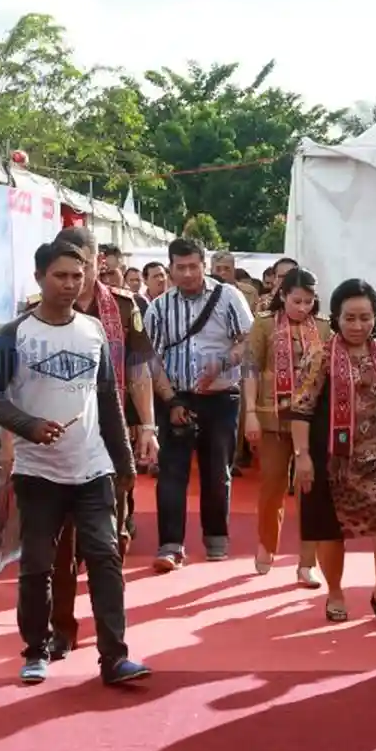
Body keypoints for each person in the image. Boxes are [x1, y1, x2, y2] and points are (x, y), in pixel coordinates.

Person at [0, 240, 149, 685]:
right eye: (60, 276)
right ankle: (37, 648)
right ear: (39, 279)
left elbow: (109, 401)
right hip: (38, 473)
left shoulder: (93, 331)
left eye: (78, 275)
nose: (71, 284)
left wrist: (124, 463)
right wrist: (29, 425)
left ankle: (115, 657)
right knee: (38, 564)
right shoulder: (11, 336)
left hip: (92, 468)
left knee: (106, 558)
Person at [286, 279, 376, 622]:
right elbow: (301, 409)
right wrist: (303, 456)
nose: (358, 326)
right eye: (350, 318)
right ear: (336, 318)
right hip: (331, 459)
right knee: (329, 529)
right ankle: (335, 593)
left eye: (365, 318)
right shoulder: (321, 355)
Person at [145, 237, 254, 570]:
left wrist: (224, 362)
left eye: (194, 266)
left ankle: (216, 538)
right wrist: (171, 399)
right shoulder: (159, 308)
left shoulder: (229, 297)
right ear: (171, 269)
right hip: (177, 398)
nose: (189, 274)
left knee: (216, 472)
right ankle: (170, 545)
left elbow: (249, 343)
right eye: (181, 268)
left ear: (203, 265)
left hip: (221, 398)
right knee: (172, 473)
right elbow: (151, 360)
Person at [244, 267, 329, 588]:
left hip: (311, 421)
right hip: (272, 418)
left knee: (311, 490)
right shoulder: (264, 324)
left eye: (309, 301)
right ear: (282, 296)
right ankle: (267, 542)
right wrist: (250, 412)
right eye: (297, 300)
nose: (303, 307)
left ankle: (308, 563)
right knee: (272, 487)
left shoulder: (323, 329)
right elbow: (250, 368)